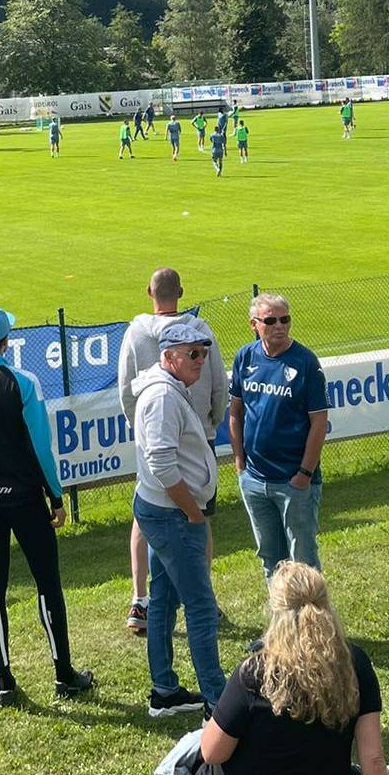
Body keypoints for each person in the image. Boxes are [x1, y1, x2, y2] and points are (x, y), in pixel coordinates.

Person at [0, 306, 95, 707]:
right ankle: (64, 675)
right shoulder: (22, 381)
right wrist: (56, 496)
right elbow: (41, 445)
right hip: (25, 499)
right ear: (6, 340)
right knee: (47, 584)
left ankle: (5, 683)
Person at [196, 562, 389, 775]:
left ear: (275, 611)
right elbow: (374, 761)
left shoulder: (254, 672)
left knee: (194, 772)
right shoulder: (355, 665)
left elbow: (212, 752)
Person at [118, 268, 229, 636]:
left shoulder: (134, 332)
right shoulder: (200, 329)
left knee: (147, 514)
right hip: (196, 436)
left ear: (148, 291)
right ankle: (204, 598)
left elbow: (125, 389)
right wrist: (211, 421)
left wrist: (142, 429)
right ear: (181, 291)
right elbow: (219, 383)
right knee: (199, 515)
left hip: (154, 438)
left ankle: (140, 600)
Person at [132, 320, 227, 716]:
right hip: (173, 514)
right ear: (168, 357)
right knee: (201, 607)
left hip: (166, 510)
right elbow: (161, 463)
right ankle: (219, 703)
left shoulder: (171, 389)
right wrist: (193, 513)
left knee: (165, 598)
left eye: (203, 352)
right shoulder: (164, 397)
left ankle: (165, 691)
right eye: (192, 353)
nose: (200, 361)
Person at [229, 294, 329, 575]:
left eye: (284, 319)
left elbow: (319, 422)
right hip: (254, 479)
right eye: (270, 320)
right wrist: (240, 463)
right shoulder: (245, 357)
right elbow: (235, 412)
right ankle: (282, 618)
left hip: (293, 482)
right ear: (254, 324)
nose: (279, 326)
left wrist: (304, 474)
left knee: (304, 563)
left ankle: (312, 619)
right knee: (270, 560)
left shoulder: (305, 362)